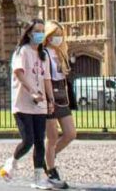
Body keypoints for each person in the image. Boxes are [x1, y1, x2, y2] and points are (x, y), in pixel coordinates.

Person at [0, 18, 55, 189]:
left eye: (42, 31)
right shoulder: (21, 51)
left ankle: (38, 178)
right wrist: (32, 91)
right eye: (37, 31)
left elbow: (47, 79)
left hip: (40, 104)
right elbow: (19, 73)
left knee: (39, 141)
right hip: (22, 102)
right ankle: (12, 161)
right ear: (29, 33)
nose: (40, 34)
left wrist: (50, 99)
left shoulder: (43, 54)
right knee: (28, 140)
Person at [43, 20, 76, 189]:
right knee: (53, 136)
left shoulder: (61, 53)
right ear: (47, 36)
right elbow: (45, 78)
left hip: (62, 95)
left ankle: (48, 157)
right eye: (54, 35)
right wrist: (49, 99)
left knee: (70, 133)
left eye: (60, 35)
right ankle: (51, 169)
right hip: (50, 95)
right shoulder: (44, 54)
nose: (57, 38)